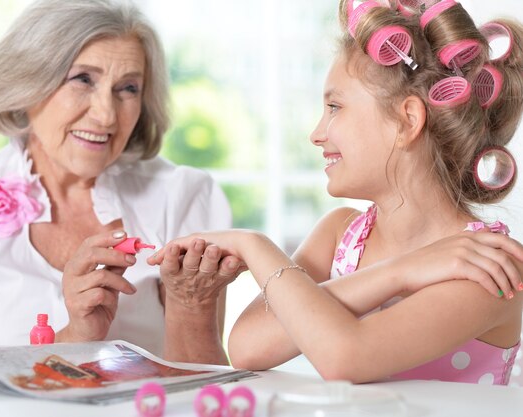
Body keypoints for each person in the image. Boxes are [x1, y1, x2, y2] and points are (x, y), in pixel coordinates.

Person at [150, 0, 523, 384]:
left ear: (406, 121)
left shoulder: (487, 266)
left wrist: (254, 246)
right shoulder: (339, 236)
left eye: (334, 106)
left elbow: (346, 355)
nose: (316, 133)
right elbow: (248, 347)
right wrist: (403, 272)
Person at [0, 0, 241, 364]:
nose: (107, 115)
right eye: (83, 79)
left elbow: (201, 377)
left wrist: (192, 303)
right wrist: (74, 337)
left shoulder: (181, 197)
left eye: (127, 88)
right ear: (27, 84)